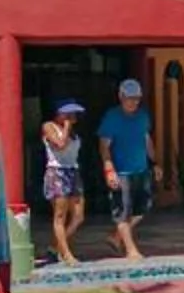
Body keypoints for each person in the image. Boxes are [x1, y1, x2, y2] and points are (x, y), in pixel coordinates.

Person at [98, 76, 153, 260]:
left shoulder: (143, 117)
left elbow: (147, 140)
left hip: (141, 170)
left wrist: (155, 162)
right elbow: (104, 146)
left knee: (143, 209)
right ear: (121, 97)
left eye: (136, 98)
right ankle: (131, 250)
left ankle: (115, 237)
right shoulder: (112, 117)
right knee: (122, 212)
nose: (133, 102)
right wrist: (109, 170)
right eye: (129, 98)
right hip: (121, 172)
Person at [39, 100, 88, 266]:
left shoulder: (74, 133)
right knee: (60, 215)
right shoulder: (49, 126)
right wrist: (66, 127)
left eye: (74, 114)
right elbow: (60, 145)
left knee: (78, 215)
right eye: (68, 114)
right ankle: (66, 254)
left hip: (73, 170)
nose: (72, 117)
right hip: (57, 171)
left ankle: (56, 247)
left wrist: (69, 129)